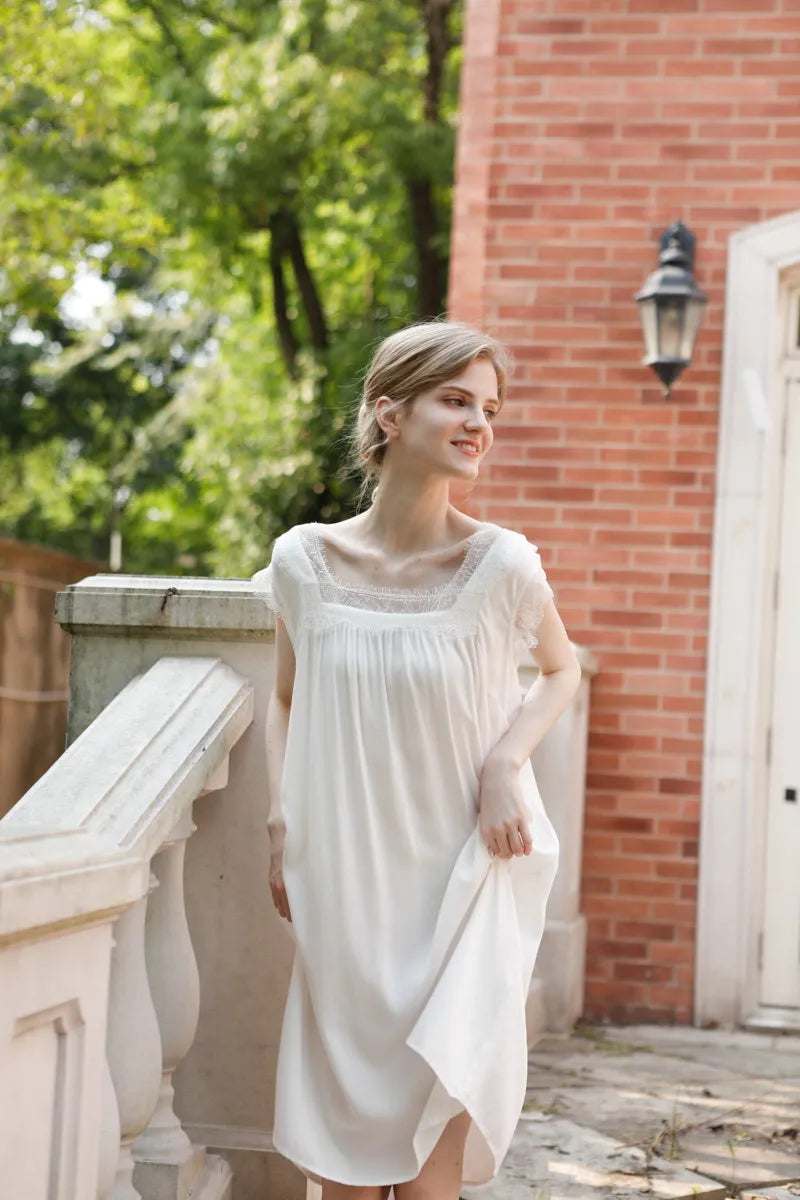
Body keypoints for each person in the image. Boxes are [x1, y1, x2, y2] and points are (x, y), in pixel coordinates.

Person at [252, 318, 581, 1200]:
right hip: (347, 884)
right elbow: (284, 694)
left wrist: (506, 764)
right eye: (457, 401)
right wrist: (282, 818)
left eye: (491, 408)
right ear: (390, 414)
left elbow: (560, 671)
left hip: (465, 881)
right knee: (348, 1171)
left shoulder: (502, 563)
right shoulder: (303, 561)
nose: (480, 424)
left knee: (433, 1164)